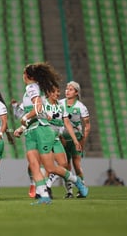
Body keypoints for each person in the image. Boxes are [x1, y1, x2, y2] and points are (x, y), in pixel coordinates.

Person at [13, 63, 88, 205]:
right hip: (31, 130)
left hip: (42, 130)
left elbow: (38, 107)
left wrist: (25, 117)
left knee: (49, 167)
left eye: (24, 73)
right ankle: (44, 196)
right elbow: (40, 109)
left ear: (28, 76)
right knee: (34, 164)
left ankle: (77, 181)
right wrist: (23, 128)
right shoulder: (35, 88)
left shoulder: (31, 87)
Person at [60, 81, 91, 198]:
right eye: (67, 88)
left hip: (76, 139)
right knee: (65, 166)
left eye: (71, 89)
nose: (67, 91)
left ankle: (82, 189)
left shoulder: (81, 107)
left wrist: (83, 140)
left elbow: (87, 125)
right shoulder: (60, 103)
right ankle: (69, 192)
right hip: (63, 138)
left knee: (76, 164)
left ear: (76, 92)